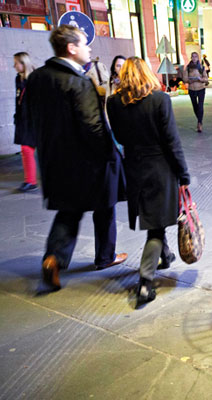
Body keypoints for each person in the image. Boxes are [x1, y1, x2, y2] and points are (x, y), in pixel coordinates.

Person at [25, 25, 127, 290]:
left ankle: (53, 259)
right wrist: (110, 154)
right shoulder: (79, 82)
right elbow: (93, 126)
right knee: (106, 206)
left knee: (69, 212)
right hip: (87, 162)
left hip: (53, 161)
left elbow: (29, 119)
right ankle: (106, 256)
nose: (89, 48)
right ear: (71, 48)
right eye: (84, 43)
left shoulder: (37, 78)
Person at [107, 57, 190, 305]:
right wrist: (183, 174)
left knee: (155, 216)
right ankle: (145, 281)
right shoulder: (159, 99)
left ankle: (165, 256)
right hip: (160, 167)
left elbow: (119, 136)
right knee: (155, 227)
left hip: (133, 167)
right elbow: (172, 141)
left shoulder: (113, 103)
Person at [13, 52, 37, 192]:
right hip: (23, 120)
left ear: (24, 63)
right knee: (26, 150)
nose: (14, 66)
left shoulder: (34, 78)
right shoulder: (18, 79)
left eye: (17, 63)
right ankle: (30, 181)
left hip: (34, 120)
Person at [184, 52, 209, 133]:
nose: (194, 58)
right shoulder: (188, 67)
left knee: (200, 105)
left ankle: (199, 123)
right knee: (195, 106)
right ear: (191, 58)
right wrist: (189, 80)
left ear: (198, 58)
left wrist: (201, 79)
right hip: (192, 89)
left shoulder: (201, 67)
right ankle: (199, 120)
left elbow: (206, 78)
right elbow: (184, 78)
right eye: (193, 56)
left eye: (196, 56)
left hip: (201, 88)